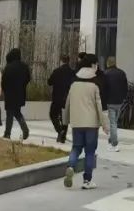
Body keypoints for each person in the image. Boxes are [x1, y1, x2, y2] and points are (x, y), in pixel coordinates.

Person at [63, 55, 110, 190]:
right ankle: (87, 180)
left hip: (76, 123)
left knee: (76, 148)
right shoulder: (94, 87)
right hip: (91, 124)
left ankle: (71, 166)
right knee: (90, 151)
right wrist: (105, 126)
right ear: (92, 67)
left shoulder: (73, 85)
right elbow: (99, 108)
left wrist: (65, 122)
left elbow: (67, 104)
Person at [1, 47, 32, 140]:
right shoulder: (24, 66)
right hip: (20, 93)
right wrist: (22, 86)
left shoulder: (9, 66)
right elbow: (28, 78)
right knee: (17, 112)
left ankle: (7, 133)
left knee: (10, 113)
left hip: (10, 93)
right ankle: (25, 129)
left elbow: (4, 80)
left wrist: (4, 90)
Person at [102, 56, 128, 152]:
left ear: (108, 63)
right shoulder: (122, 73)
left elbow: (103, 89)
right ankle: (111, 141)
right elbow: (126, 87)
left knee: (113, 123)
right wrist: (124, 98)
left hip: (110, 102)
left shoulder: (105, 74)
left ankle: (114, 144)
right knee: (114, 122)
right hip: (119, 102)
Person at [48, 56, 75, 143]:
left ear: (61, 61)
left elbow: (49, 82)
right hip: (67, 97)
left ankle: (59, 131)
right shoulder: (72, 72)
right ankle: (62, 137)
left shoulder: (57, 71)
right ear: (68, 61)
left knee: (53, 115)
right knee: (64, 118)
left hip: (56, 97)